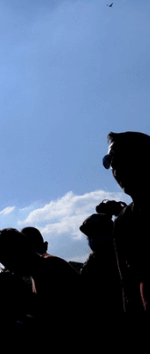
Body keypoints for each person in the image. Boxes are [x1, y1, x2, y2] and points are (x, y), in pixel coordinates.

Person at [102, 132, 150, 319]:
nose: (116, 169)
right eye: (111, 162)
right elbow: (128, 285)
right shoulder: (123, 223)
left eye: (122, 158)